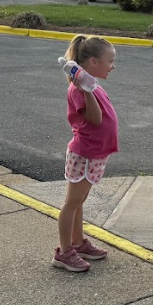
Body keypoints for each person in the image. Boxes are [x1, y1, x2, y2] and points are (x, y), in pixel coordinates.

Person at [52, 35, 119, 272]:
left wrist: (90, 86)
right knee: (72, 203)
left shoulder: (91, 84)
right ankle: (64, 251)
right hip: (84, 154)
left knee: (80, 201)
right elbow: (95, 118)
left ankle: (78, 243)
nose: (113, 66)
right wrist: (87, 89)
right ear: (92, 62)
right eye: (109, 61)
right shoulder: (80, 89)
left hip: (95, 153)